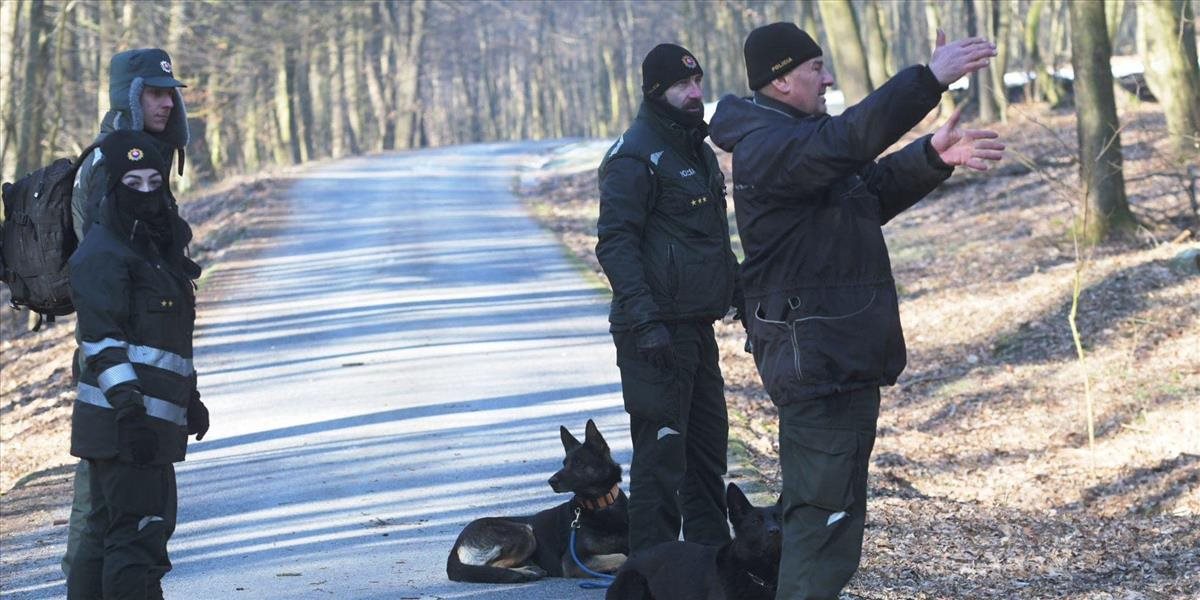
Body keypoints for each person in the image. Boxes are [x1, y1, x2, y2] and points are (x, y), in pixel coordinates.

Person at [708, 23, 1004, 599]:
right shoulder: (768, 147)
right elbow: (846, 142)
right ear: (782, 79)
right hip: (817, 362)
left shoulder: (796, 137)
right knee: (821, 526)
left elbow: (865, 191)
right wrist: (927, 80)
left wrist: (931, 157)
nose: (826, 78)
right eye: (815, 69)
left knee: (834, 520)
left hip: (837, 357)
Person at [596, 43, 743, 555]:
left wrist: (739, 292)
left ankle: (707, 569)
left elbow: (708, 241)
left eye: (698, 81)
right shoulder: (634, 156)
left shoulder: (696, 149)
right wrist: (646, 321)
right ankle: (651, 576)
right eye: (684, 85)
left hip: (696, 330)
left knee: (707, 458)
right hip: (652, 336)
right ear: (656, 92)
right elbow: (615, 242)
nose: (696, 92)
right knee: (661, 463)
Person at [63, 47, 193, 579]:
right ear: (131, 97)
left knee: (119, 518)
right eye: (155, 93)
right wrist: (126, 397)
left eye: (170, 93)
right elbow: (104, 273)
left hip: (139, 368)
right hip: (114, 367)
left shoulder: (145, 154)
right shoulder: (113, 160)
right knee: (106, 518)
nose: (166, 103)